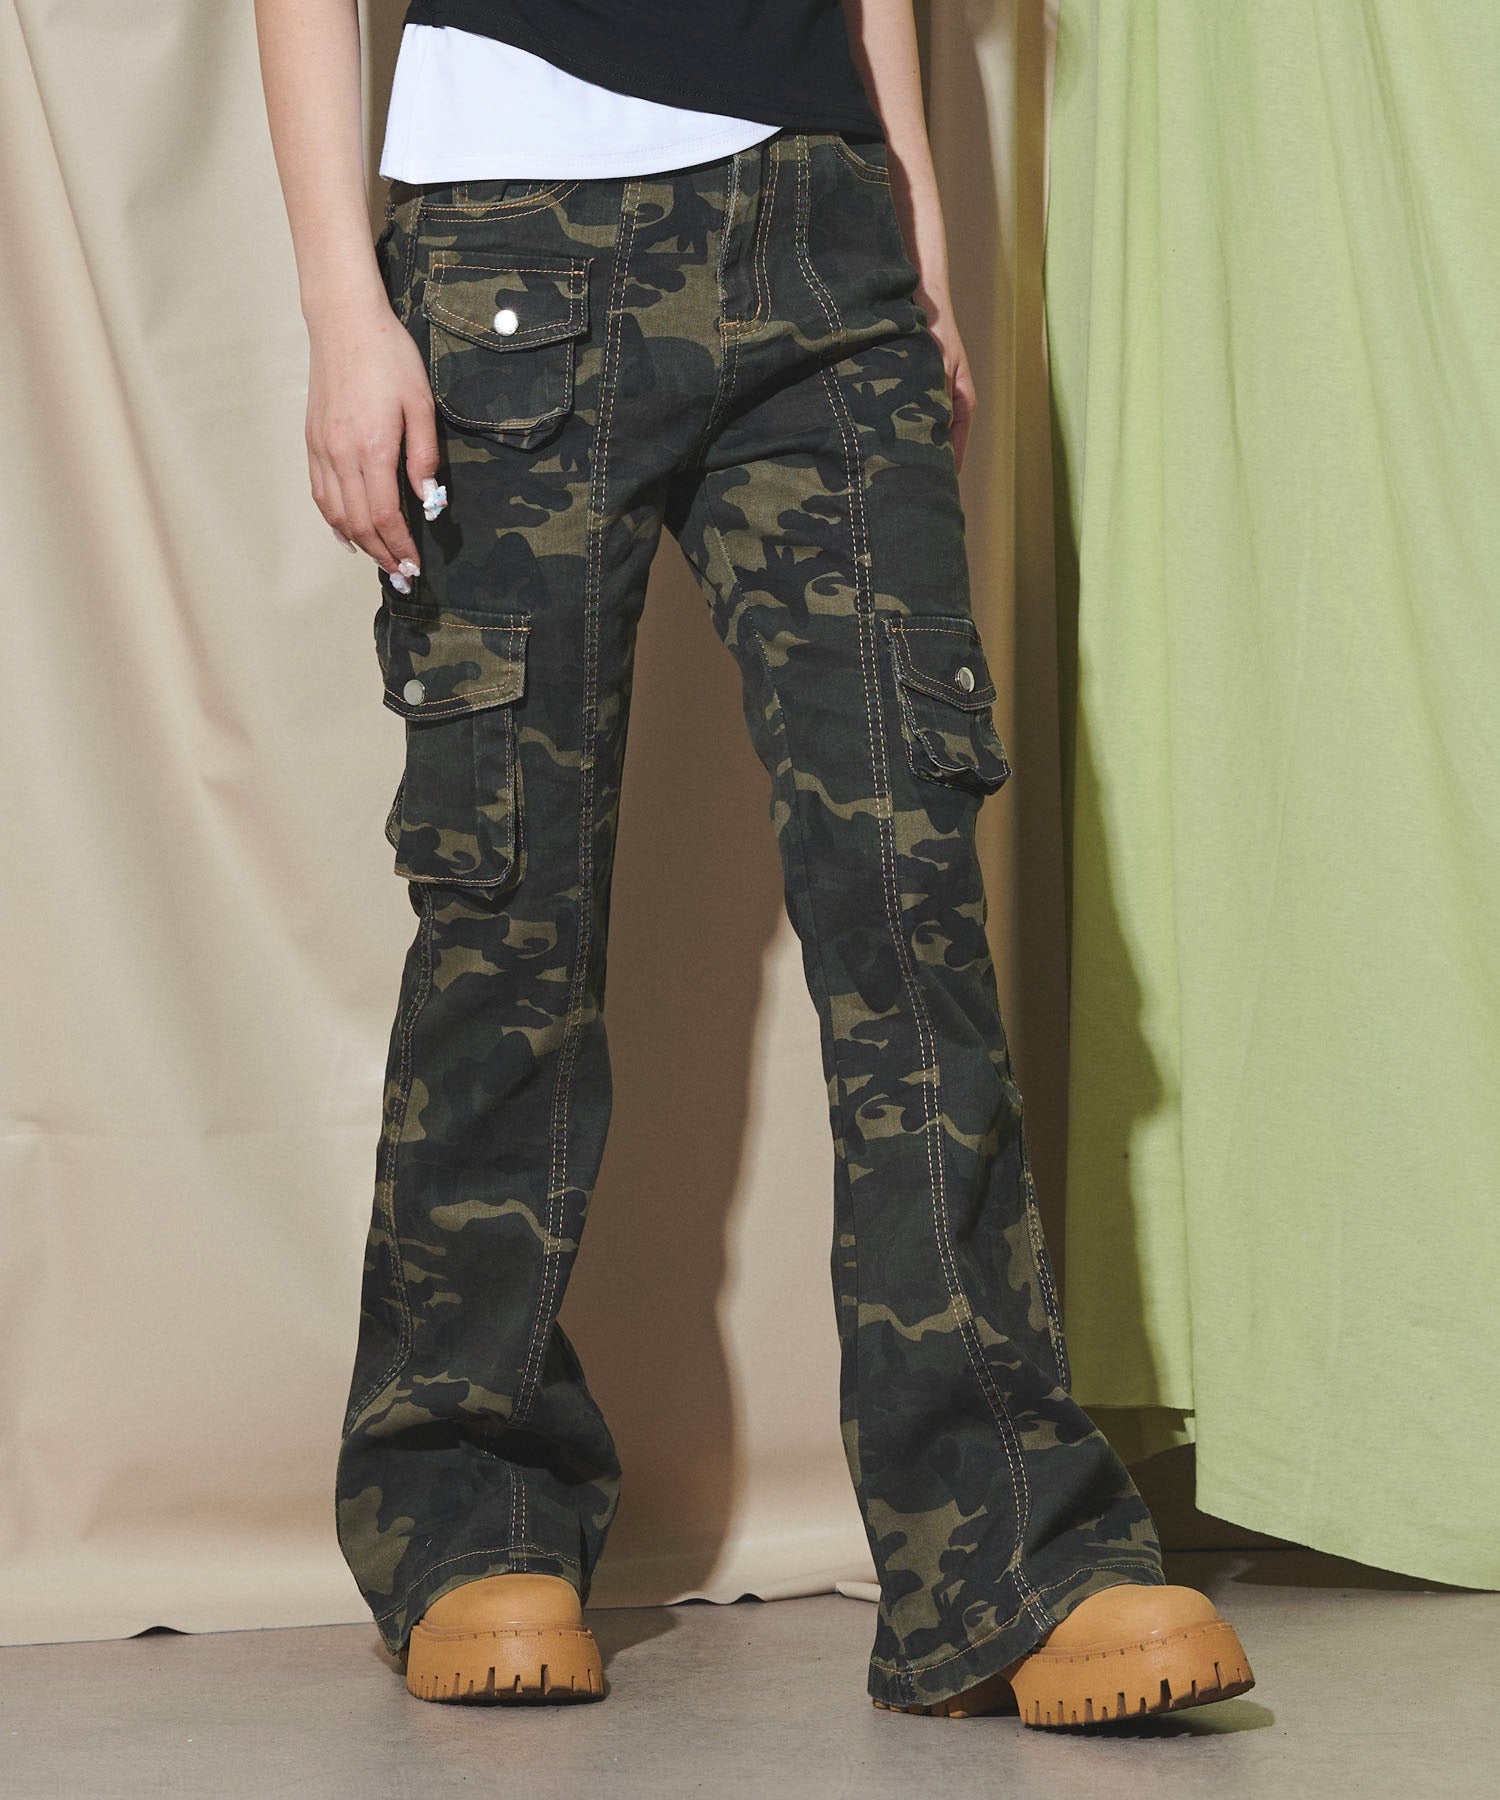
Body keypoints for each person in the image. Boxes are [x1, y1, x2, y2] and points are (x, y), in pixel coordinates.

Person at [255, 0, 1255, 1725]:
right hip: (511, 234)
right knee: (509, 915)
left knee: (911, 905)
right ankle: (467, 1513)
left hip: (825, 244)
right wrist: (345, 309)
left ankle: (1011, 1557)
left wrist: (916, 237)